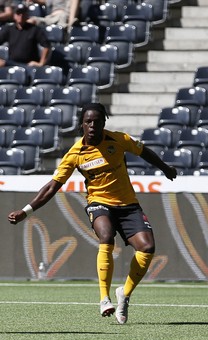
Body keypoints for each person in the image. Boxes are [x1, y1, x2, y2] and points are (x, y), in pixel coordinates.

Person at [8, 103, 178, 325]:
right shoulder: (75, 154)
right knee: (106, 236)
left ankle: (124, 294)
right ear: (82, 124)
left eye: (97, 121)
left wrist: (165, 168)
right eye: (88, 121)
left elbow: (143, 150)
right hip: (99, 203)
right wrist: (26, 211)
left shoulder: (118, 140)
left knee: (147, 248)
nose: (92, 125)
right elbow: (52, 186)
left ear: (104, 123)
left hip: (128, 205)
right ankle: (103, 298)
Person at [0, 4, 50, 69]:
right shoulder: (9, 29)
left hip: (28, 65)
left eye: (23, 13)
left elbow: (47, 46)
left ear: (27, 15)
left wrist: (41, 63)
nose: (21, 16)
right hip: (12, 63)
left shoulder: (34, 29)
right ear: (14, 15)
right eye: (18, 13)